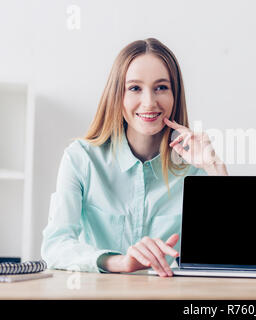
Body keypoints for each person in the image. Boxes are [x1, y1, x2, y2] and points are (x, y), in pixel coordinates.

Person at [41, 38, 228, 277]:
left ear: (175, 96)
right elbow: (55, 247)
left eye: (161, 87)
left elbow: (231, 258)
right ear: (117, 96)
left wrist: (215, 168)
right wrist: (119, 262)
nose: (149, 102)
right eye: (135, 88)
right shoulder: (81, 159)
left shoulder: (196, 167)